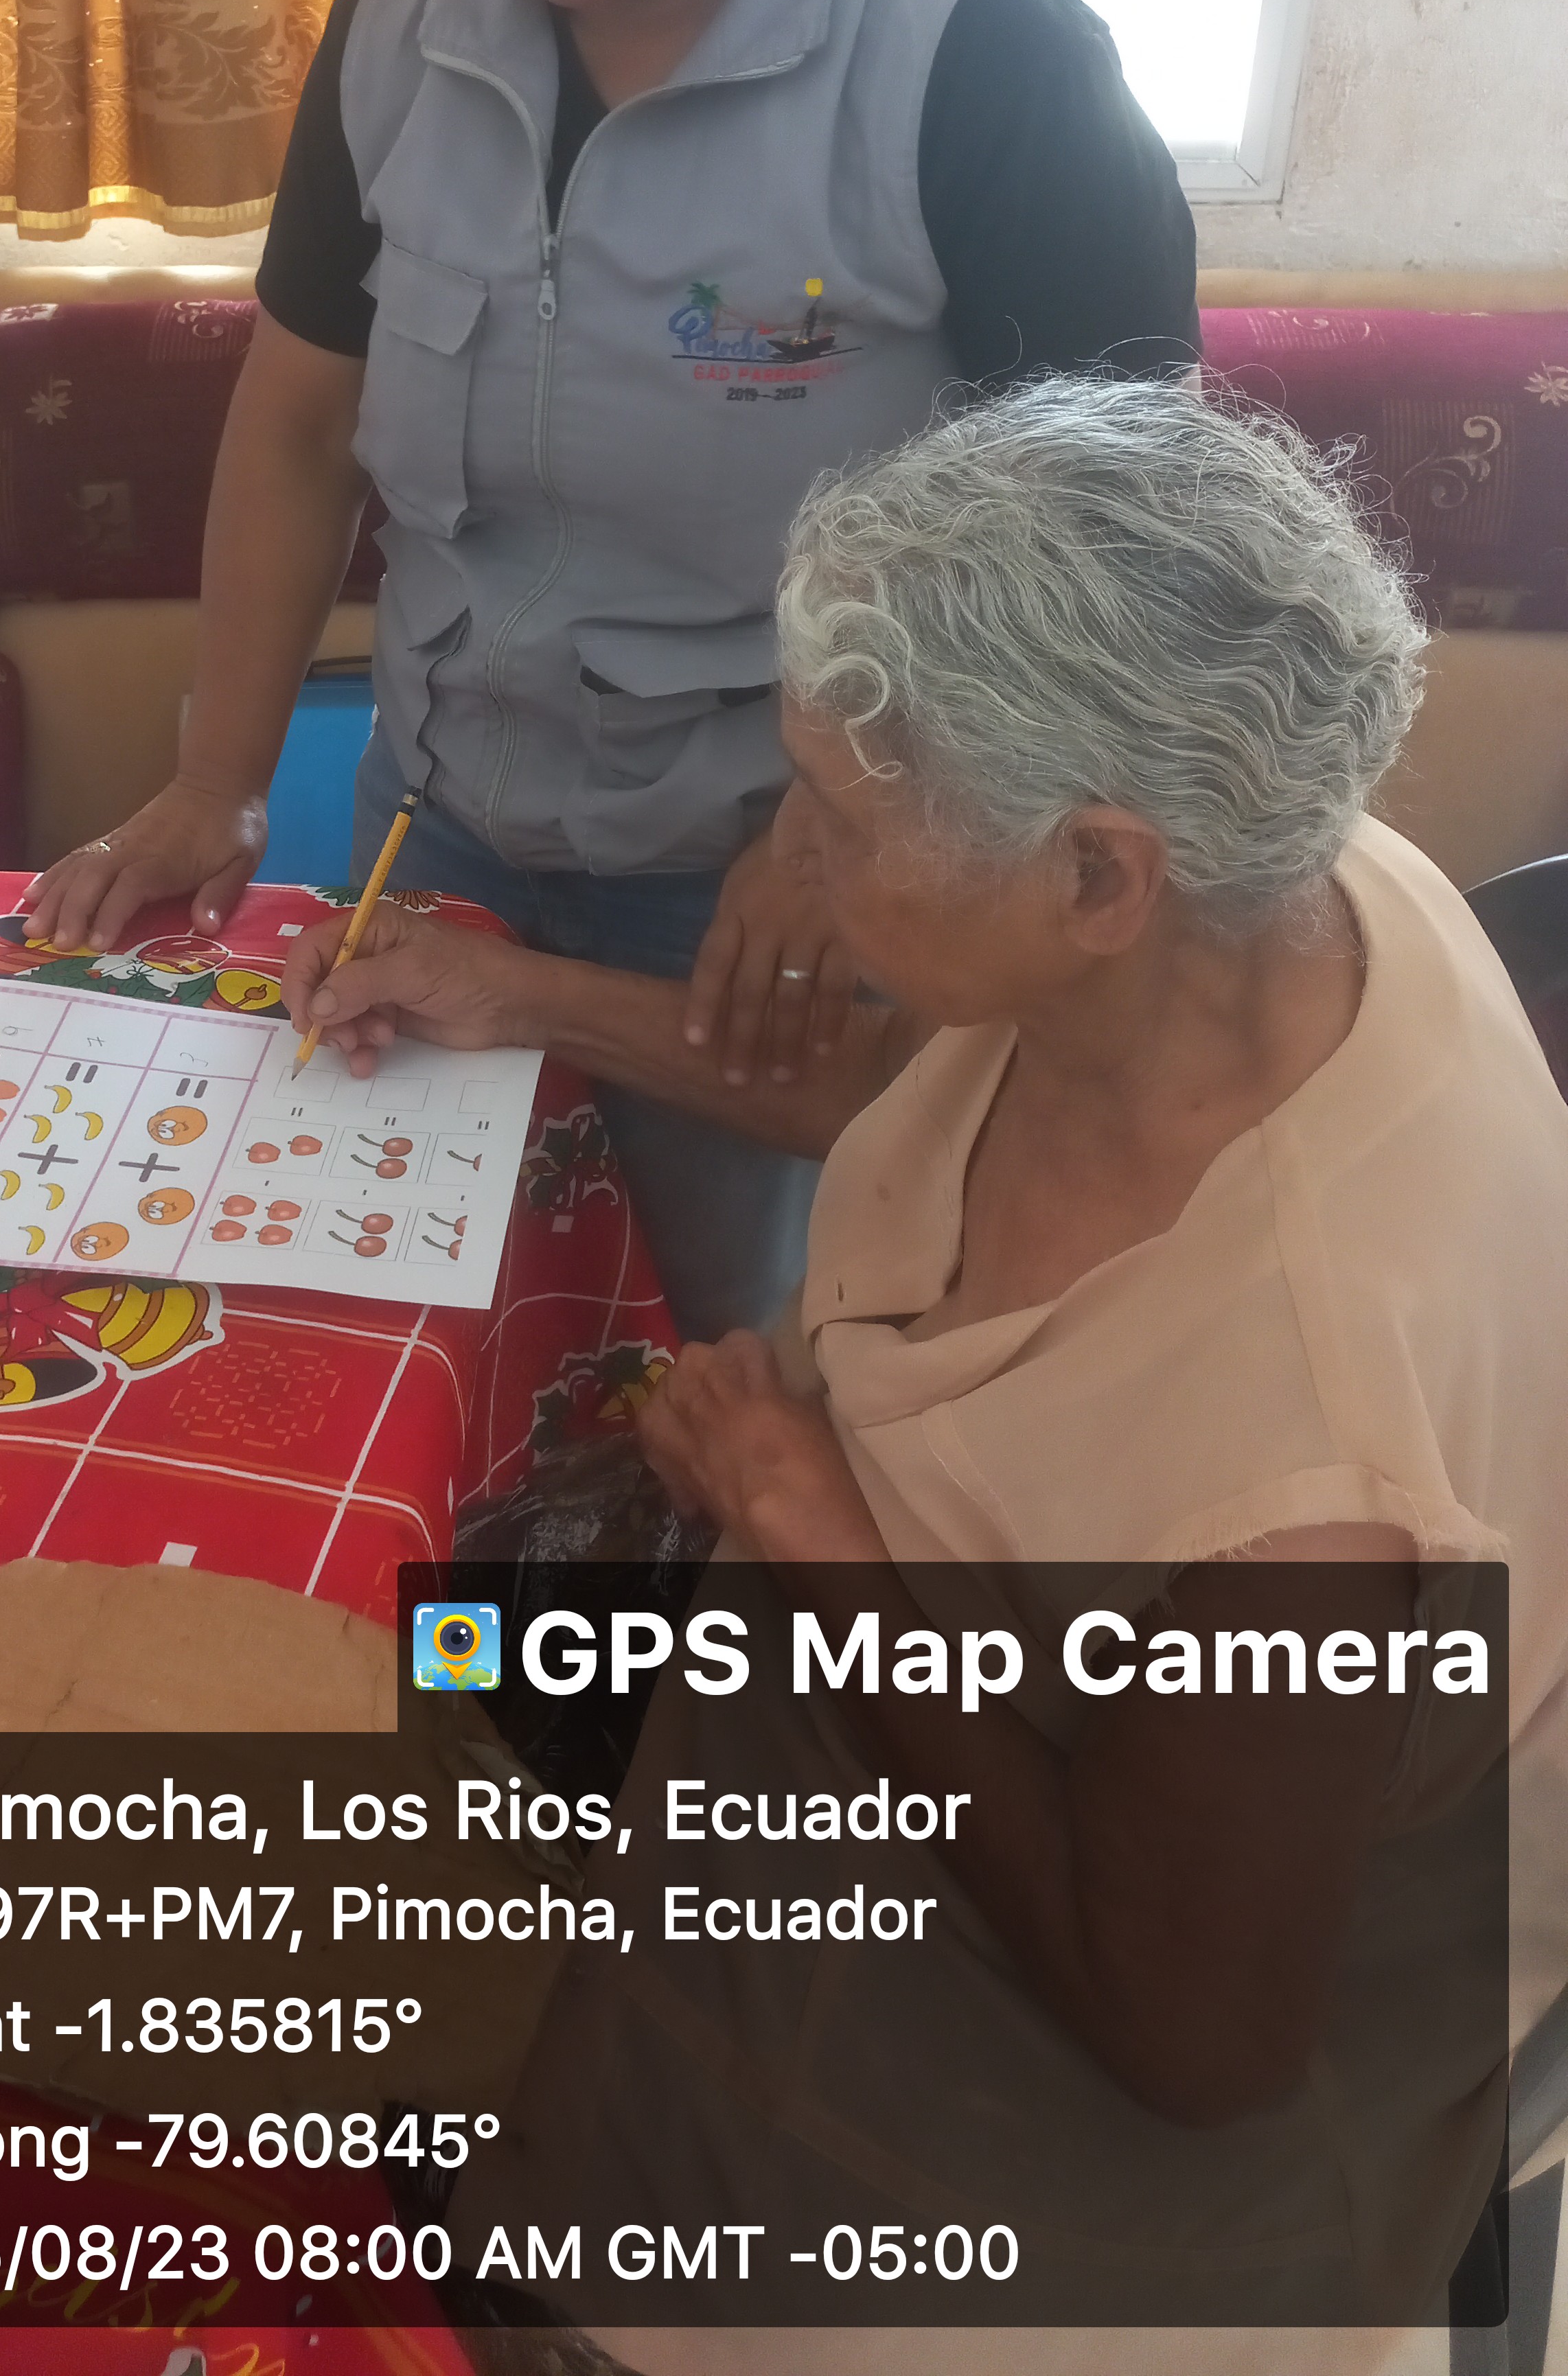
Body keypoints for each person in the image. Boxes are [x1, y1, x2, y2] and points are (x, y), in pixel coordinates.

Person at [280, 376, 1568, 2375]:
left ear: (1096, 877)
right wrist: (528, 997)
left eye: (844, 819)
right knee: (397, 1656)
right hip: (857, 1696)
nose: (787, 856)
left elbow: (1191, 2040)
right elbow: (935, 1094)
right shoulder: (1286, 887)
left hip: (1079, 2132)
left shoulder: (1306, 1468)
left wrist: (815, 1536)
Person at [22, 0, 1199, 1339]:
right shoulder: (399, 33)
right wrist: (219, 780)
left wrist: (840, 824)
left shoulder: (987, 73)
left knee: (723, 1378)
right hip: (437, 844)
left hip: (776, 919)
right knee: (398, 1366)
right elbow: (295, 429)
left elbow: (1122, 573)